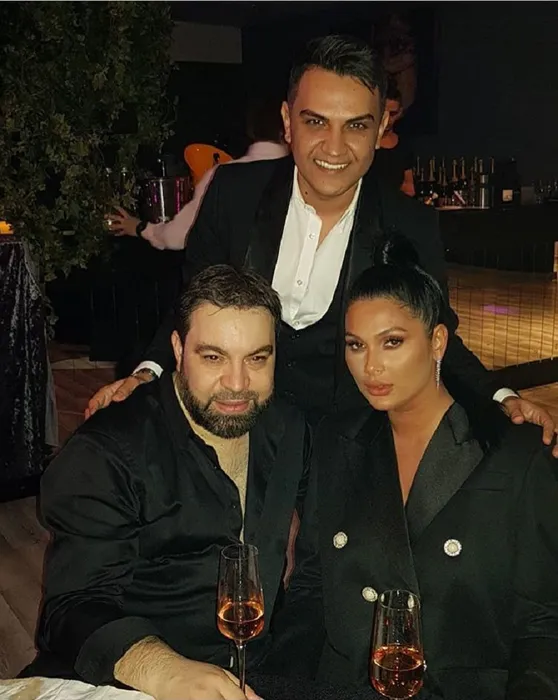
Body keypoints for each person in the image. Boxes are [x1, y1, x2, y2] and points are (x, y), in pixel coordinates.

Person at [88, 33, 556, 449]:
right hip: (240, 426)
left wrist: (502, 397)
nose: (334, 148)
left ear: (381, 129)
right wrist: (144, 375)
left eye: (356, 125)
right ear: (287, 121)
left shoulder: (410, 223)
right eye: (316, 122)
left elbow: (435, 333)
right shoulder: (234, 194)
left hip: (348, 444)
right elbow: (191, 308)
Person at [269, 235, 558, 700]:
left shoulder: (513, 456)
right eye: (356, 345)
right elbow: (311, 587)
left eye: (392, 342)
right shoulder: (337, 440)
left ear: (437, 341)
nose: (371, 367)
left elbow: (543, 623)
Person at [32, 266, 311, 700]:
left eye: (257, 358)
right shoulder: (107, 452)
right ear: (178, 350)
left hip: (259, 669)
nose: (237, 384)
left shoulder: (289, 429)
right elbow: (72, 607)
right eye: (213, 357)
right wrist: (165, 671)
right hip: (133, 682)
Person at [106, 97, 288, 250]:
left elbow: (178, 236)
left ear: (250, 129)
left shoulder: (221, 176)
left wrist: (140, 228)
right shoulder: (298, 174)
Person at [372, 79, 415, 196]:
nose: (388, 119)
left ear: (400, 112)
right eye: (383, 113)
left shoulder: (404, 145)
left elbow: (409, 186)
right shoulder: (365, 143)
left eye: (393, 114)